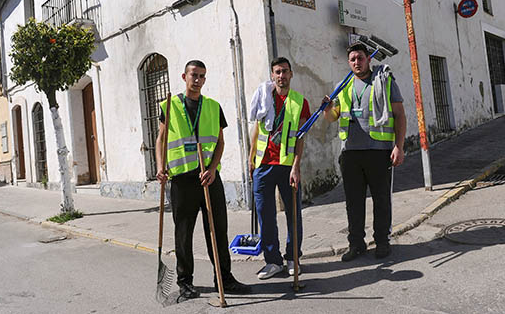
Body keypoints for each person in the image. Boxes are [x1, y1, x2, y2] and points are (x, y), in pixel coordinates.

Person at [155, 60, 250, 302]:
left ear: (205, 80)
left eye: (201, 76)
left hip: (208, 177)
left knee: (218, 230)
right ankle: (185, 282)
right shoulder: (170, 105)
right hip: (182, 181)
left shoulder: (213, 107)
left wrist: (213, 169)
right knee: (184, 234)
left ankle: (224, 278)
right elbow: (161, 139)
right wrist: (160, 167)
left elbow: (220, 142)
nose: (197, 80)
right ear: (184, 76)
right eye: (193, 75)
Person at [322, 43, 406, 262]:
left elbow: (399, 114)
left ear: (369, 59)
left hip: (379, 152)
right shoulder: (343, 85)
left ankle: (382, 242)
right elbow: (333, 117)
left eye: (360, 58)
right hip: (350, 153)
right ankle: (356, 244)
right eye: (352, 59)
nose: (356, 62)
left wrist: (399, 146)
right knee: (353, 202)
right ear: (348, 62)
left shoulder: (384, 81)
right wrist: (327, 109)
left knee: (381, 200)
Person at [248, 57, 310, 279]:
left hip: (287, 167)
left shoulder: (299, 102)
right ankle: (273, 262)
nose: (281, 76)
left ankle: (293, 258)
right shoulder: (264, 97)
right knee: (266, 214)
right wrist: (251, 155)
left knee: (293, 215)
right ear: (272, 75)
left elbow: (300, 137)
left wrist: (296, 166)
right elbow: (257, 129)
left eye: (285, 71)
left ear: (291, 74)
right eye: (277, 72)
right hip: (263, 165)